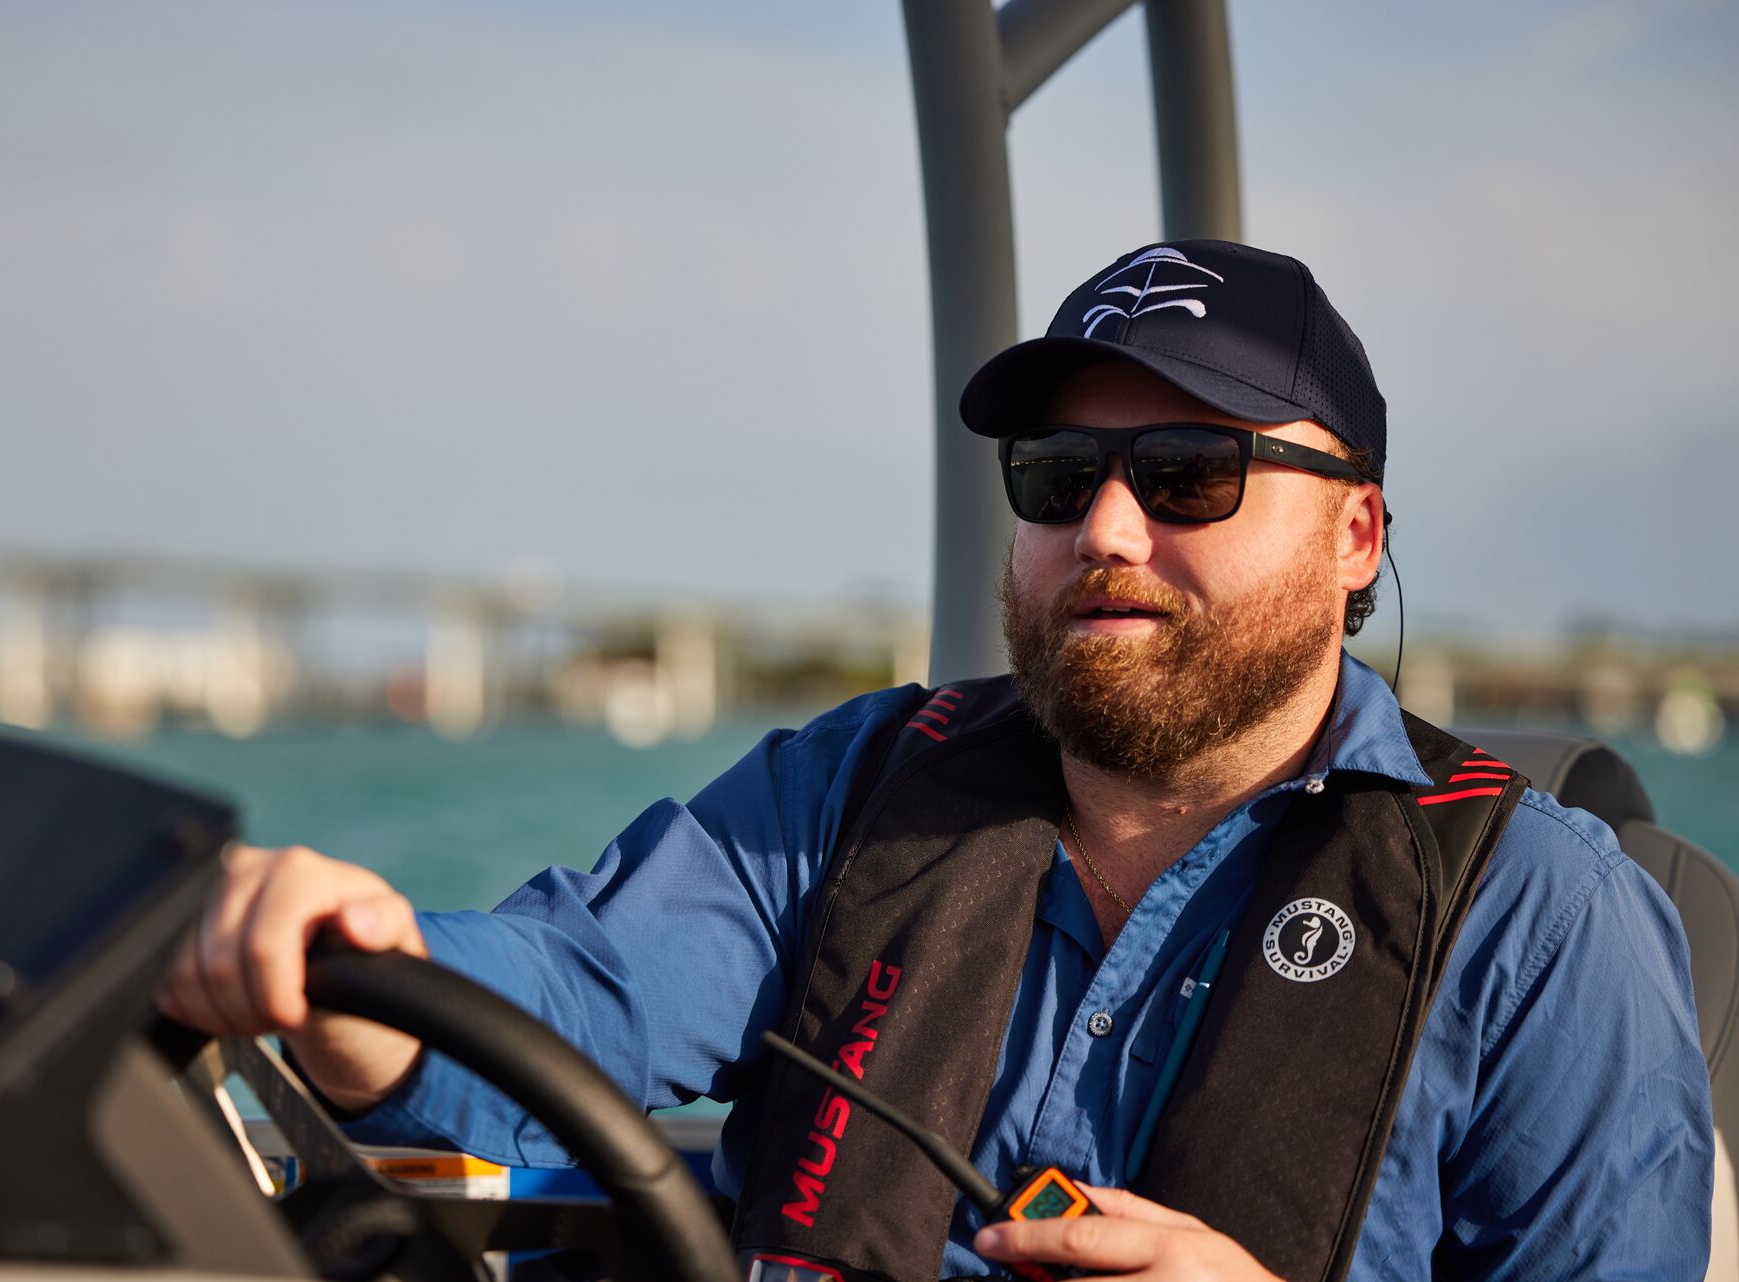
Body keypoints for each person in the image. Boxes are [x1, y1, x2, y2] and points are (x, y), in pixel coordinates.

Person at [158, 240, 1713, 1280]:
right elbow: (574, 996)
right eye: (1059, 475)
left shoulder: (1539, 919)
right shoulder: (854, 787)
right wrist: (345, 975)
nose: (1107, 528)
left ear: (1354, 533)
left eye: (1187, 475)